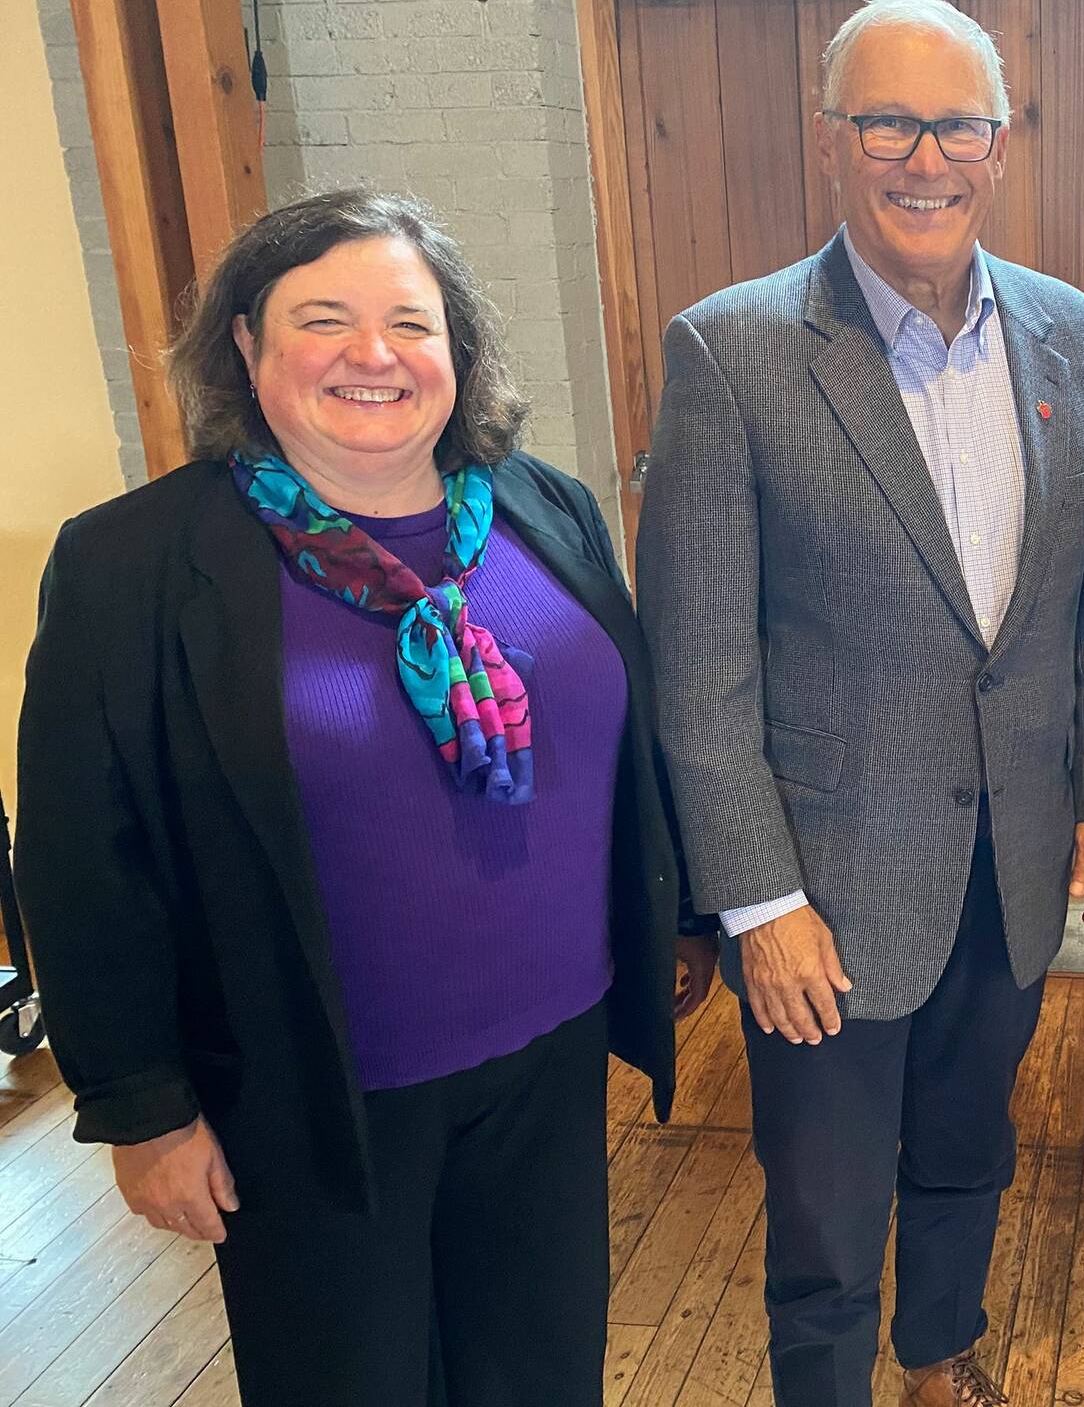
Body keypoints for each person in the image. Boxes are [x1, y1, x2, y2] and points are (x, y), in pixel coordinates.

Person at [11, 189, 718, 1407]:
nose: (374, 354)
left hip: (547, 1058)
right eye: (321, 319)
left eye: (411, 321)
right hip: (309, 1093)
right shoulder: (130, 565)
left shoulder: (545, 507)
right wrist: (140, 1108)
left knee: (542, 1373)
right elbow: (83, 858)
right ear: (244, 345)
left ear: (457, 349)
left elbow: (631, 741)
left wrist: (679, 914)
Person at [635, 0, 1084, 1407]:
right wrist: (756, 904)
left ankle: (940, 1359)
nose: (926, 158)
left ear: (999, 143)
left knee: (970, 1142)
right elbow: (700, 667)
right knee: (823, 1202)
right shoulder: (732, 353)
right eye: (888, 122)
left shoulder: (1076, 338)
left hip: (1018, 855)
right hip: (827, 890)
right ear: (831, 140)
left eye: (957, 125)